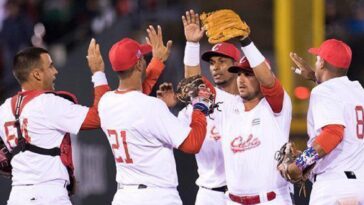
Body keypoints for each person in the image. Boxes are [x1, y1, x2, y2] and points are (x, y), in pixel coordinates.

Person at [98, 25, 211, 205]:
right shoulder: (151, 106)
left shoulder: (105, 103)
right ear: (140, 64)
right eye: (144, 58)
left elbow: (135, 98)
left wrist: (157, 62)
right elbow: (192, 144)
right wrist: (200, 106)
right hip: (157, 197)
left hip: (124, 196)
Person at [0, 38, 110, 205]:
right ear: (37, 74)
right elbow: (99, 117)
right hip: (48, 196)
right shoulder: (47, 103)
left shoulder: (4, 109)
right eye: (50, 66)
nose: (56, 71)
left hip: (17, 197)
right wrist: (98, 73)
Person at [216, 33, 293, 203]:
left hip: (271, 200)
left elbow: (269, 82)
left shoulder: (276, 106)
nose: (241, 80)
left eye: (248, 74)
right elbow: (195, 85)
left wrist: (246, 41)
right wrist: (192, 44)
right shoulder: (228, 106)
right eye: (239, 74)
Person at [285, 39, 364, 204]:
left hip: (333, 186)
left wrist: (300, 163)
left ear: (322, 63)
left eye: (317, 58)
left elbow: (333, 134)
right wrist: (315, 77)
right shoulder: (358, 90)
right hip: (358, 185)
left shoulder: (323, 92)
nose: (315, 62)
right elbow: (337, 92)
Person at [179, 10, 240, 205]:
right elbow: (193, 82)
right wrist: (192, 44)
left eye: (222, 61)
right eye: (212, 63)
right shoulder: (210, 97)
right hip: (209, 194)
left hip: (242, 193)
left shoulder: (249, 101)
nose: (215, 67)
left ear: (236, 65)